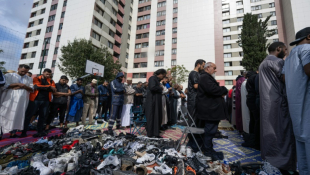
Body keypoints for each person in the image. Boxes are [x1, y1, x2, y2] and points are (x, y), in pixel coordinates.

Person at [259, 42, 296, 171]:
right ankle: (283, 162)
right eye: (285, 50)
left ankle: (269, 159)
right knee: (281, 131)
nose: (286, 53)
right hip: (278, 102)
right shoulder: (277, 62)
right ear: (278, 49)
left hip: (267, 102)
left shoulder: (263, 62)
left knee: (269, 130)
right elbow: (286, 78)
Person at [283, 27, 310, 175]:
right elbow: (308, 70)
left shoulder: (290, 56)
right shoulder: (307, 49)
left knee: (302, 144)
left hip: (296, 109)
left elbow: (284, 78)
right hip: (307, 106)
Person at [196, 62, 228, 160]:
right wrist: (224, 89)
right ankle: (208, 152)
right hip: (210, 111)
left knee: (211, 131)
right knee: (210, 131)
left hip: (211, 111)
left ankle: (209, 149)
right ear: (208, 68)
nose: (215, 70)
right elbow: (213, 89)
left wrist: (220, 90)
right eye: (214, 68)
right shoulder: (205, 77)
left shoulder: (206, 77)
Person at [0, 65, 33, 139]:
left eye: (26, 72)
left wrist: (23, 86)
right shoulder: (9, 75)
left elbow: (32, 89)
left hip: (22, 101)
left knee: (18, 115)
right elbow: (3, 86)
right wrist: (16, 84)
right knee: (4, 114)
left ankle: (13, 133)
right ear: (18, 69)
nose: (24, 73)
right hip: (9, 99)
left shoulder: (29, 78)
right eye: (22, 71)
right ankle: (1, 133)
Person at [21, 68, 56, 137]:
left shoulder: (51, 81)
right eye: (47, 74)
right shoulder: (36, 78)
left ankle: (40, 131)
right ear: (43, 72)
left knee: (42, 116)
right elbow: (36, 86)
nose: (48, 75)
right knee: (29, 115)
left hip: (46, 101)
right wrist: (48, 87)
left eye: (49, 74)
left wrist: (44, 87)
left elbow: (54, 89)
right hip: (35, 100)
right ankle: (24, 132)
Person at [145, 69, 167, 138]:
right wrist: (160, 88)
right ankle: (150, 134)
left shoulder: (157, 80)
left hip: (157, 101)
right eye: (163, 76)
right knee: (152, 117)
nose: (163, 78)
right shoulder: (152, 78)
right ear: (160, 73)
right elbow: (152, 87)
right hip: (152, 101)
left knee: (157, 116)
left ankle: (156, 133)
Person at [243, 71, 258, 148]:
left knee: (252, 120)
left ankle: (251, 139)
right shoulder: (255, 78)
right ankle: (255, 140)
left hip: (249, 100)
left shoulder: (248, 80)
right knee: (256, 121)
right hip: (254, 100)